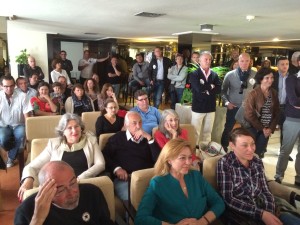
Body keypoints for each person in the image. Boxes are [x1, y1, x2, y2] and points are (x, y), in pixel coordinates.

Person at [217, 127, 300, 225]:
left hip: (264, 205)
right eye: (244, 145)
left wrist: (269, 212)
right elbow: (229, 199)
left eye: (253, 144)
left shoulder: (257, 161)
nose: (251, 149)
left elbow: (266, 190)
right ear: (232, 145)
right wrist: (262, 214)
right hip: (241, 212)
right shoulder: (225, 163)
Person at [135, 138, 225, 225]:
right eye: (182, 158)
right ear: (169, 160)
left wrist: (202, 221)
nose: (188, 162)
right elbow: (141, 218)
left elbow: (218, 203)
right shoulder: (157, 183)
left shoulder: (196, 176)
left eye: (190, 157)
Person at [18, 113, 105, 200]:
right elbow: (31, 167)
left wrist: (79, 179)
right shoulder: (54, 145)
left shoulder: (91, 140)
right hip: (58, 191)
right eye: (69, 128)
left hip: (83, 185)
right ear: (63, 131)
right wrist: (28, 180)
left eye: (77, 126)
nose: (74, 131)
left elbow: (100, 164)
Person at [15, 161, 114, 225]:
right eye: (61, 189)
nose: (72, 192)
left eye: (73, 183)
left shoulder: (92, 193)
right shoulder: (26, 211)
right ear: (44, 190)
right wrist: (38, 219)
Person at [102, 111, 160, 201]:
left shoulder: (147, 139)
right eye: (134, 123)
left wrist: (149, 138)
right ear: (126, 124)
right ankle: (131, 215)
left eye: (140, 122)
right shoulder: (117, 138)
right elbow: (105, 156)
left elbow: (159, 159)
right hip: (126, 179)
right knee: (134, 199)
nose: (138, 126)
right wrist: (116, 168)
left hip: (147, 177)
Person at [220, 52, 256, 152]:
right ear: (238, 61)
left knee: (247, 129)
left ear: (250, 62)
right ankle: (223, 146)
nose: (244, 63)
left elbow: (257, 92)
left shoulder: (255, 74)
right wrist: (227, 103)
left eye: (247, 61)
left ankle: (244, 148)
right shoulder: (230, 75)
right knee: (228, 128)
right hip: (233, 106)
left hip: (247, 107)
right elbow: (223, 91)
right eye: (242, 61)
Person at [244, 67, 279, 158]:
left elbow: (276, 113)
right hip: (252, 128)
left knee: (259, 153)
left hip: (266, 129)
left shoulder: (274, 93)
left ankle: (256, 170)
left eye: (272, 78)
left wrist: (270, 128)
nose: (270, 80)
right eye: (267, 78)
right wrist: (262, 128)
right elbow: (249, 114)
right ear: (261, 79)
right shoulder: (253, 93)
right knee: (248, 153)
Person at [275, 63, 300, 186]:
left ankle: (299, 177)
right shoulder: (292, 79)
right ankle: (279, 176)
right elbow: (293, 100)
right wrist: (296, 102)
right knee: (286, 150)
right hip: (292, 119)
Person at [190, 51, 221, 146]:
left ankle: (205, 150)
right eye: (205, 59)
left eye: (209, 59)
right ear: (199, 61)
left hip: (211, 107)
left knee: (208, 132)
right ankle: (194, 151)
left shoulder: (214, 75)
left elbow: (219, 89)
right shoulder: (194, 74)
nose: (208, 61)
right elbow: (198, 89)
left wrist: (206, 88)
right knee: (195, 131)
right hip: (198, 106)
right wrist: (211, 86)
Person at [0, 76, 32, 168]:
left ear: (15, 86)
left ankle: (11, 157)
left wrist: (28, 129)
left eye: (11, 86)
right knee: (2, 139)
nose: (9, 88)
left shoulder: (22, 96)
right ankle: (14, 149)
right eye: (6, 86)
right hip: (4, 125)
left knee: (21, 135)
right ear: (1, 86)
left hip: (19, 124)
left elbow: (26, 113)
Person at [272, 57, 293, 162]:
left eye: (287, 64)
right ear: (277, 65)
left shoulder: (293, 78)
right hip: (274, 107)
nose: (285, 66)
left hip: (287, 107)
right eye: (282, 64)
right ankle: (261, 149)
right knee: (268, 127)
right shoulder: (273, 77)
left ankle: (284, 153)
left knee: (285, 131)